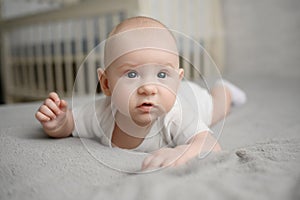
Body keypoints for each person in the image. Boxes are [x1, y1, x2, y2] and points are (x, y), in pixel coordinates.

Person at [35, 16, 246, 171]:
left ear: (177, 80)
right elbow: (71, 123)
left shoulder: (176, 115)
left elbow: (210, 144)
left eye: (162, 74)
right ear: (107, 84)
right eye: (132, 74)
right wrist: (59, 122)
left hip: (195, 100)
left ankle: (224, 88)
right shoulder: (101, 113)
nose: (148, 88)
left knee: (218, 107)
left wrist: (180, 152)